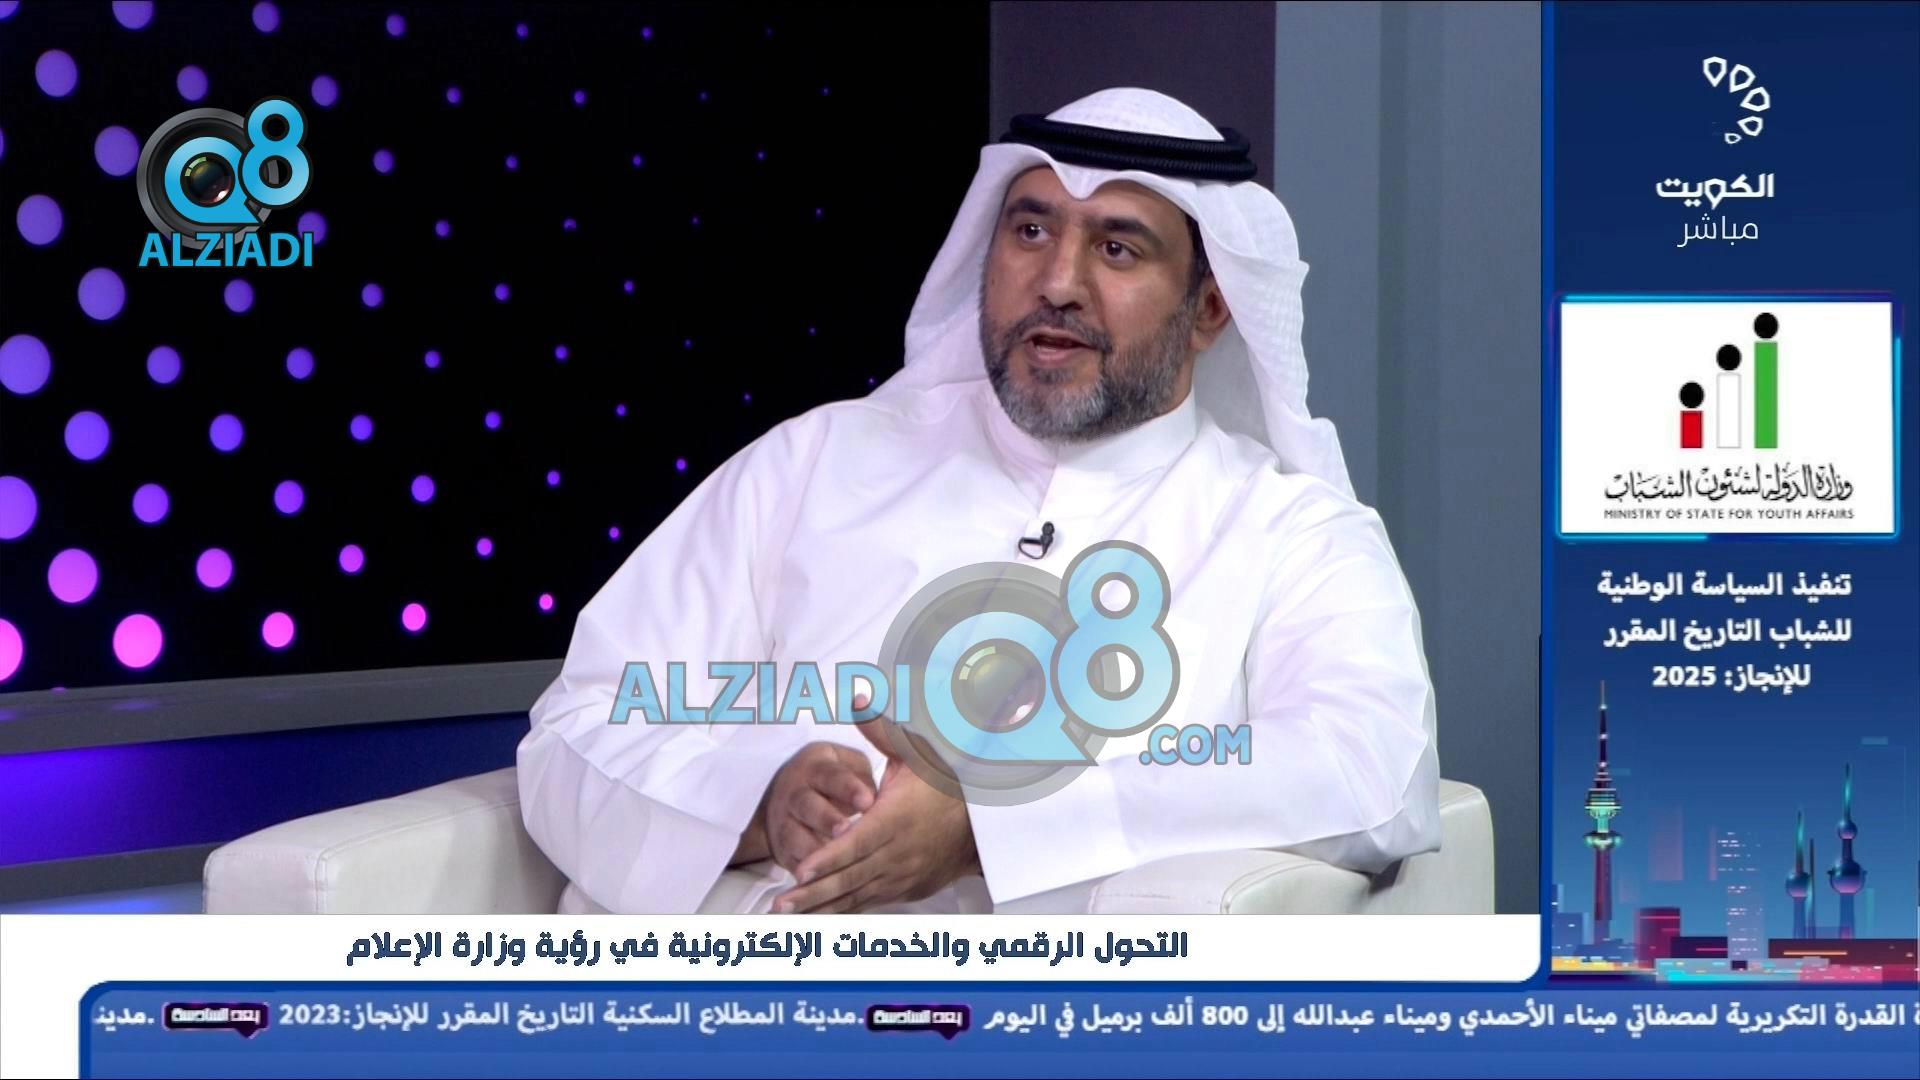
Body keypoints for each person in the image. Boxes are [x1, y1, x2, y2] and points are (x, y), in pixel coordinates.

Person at [517, 87, 1441, 915]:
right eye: (1031, 232)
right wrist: (754, 804)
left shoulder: (1291, 534)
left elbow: (1371, 767)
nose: (1058, 283)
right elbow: (583, 720)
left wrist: (989, 828)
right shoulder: (814, 462)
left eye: (1117, 248)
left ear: (1210, 309)